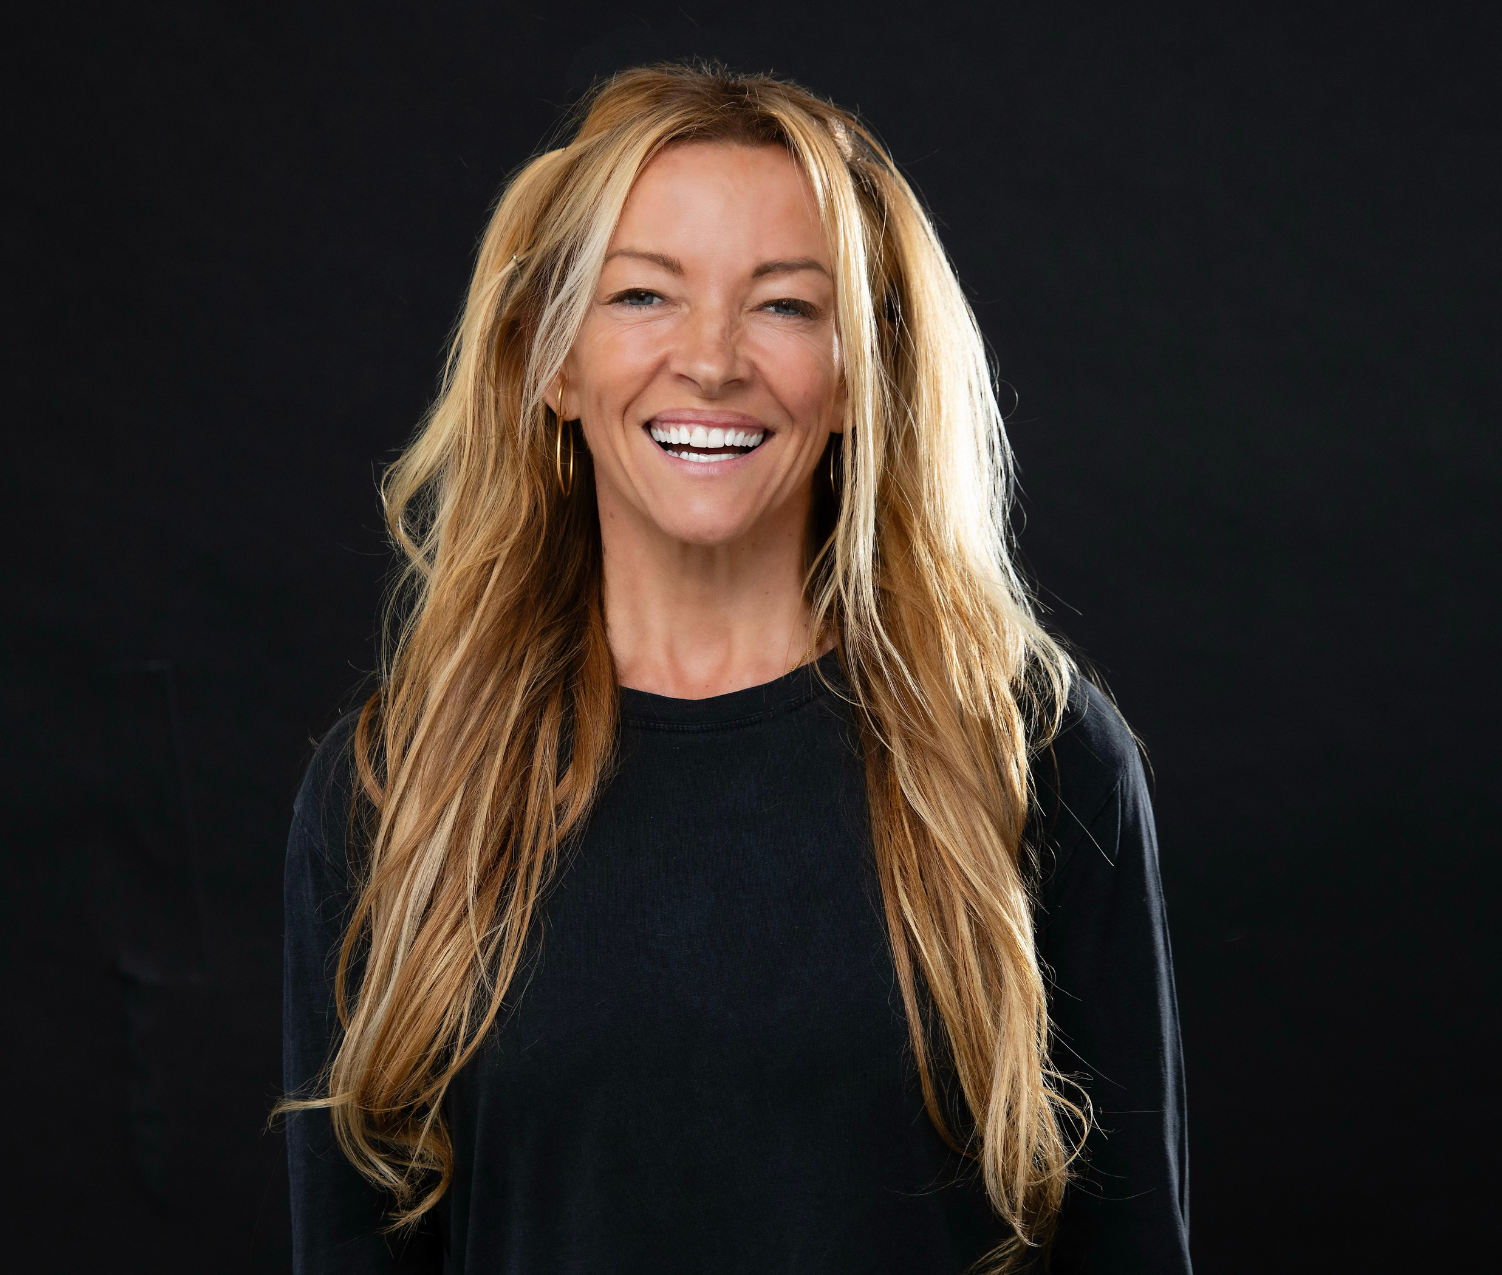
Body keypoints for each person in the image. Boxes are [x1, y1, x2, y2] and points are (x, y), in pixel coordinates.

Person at [281, 63, 1191, 1274]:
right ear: (552, 362)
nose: (710, 362)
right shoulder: (401, 786)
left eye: (784, 306)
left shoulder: (1030, 752)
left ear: (862, 375)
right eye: (646, 295)